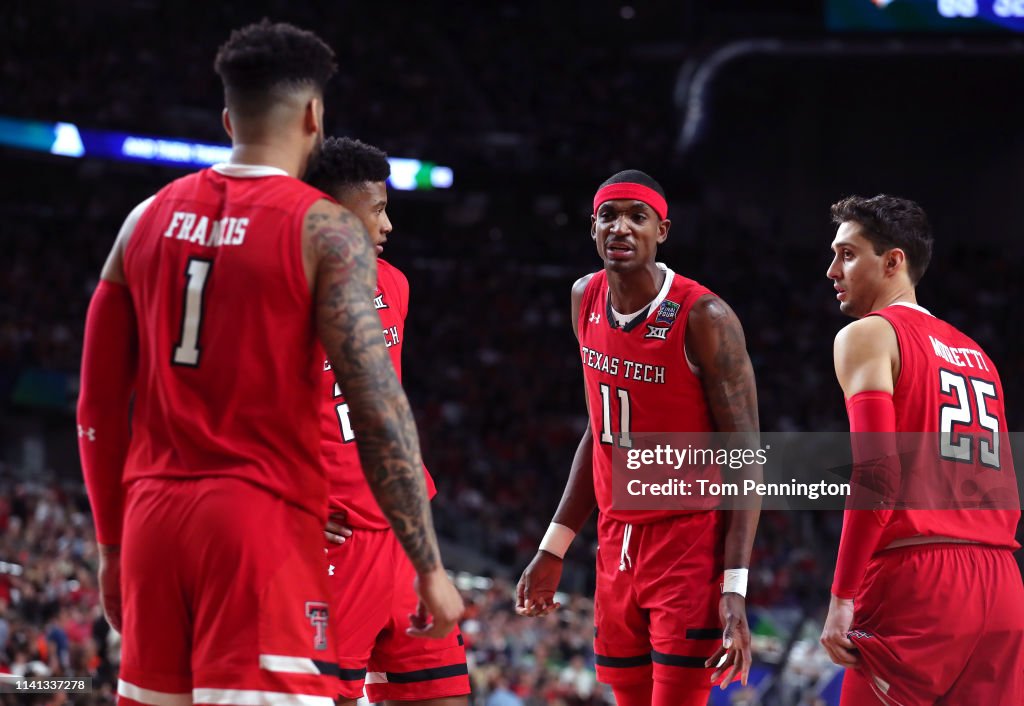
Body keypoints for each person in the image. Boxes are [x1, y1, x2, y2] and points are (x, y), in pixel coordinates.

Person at [76, 21, 461, 706]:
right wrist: (427, 562)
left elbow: (98, 407)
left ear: (228, 117)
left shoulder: (143, 218)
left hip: (152, 526)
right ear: (315, 116)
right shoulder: (325, 230)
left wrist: (110, 549)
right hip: (258, 526)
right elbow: (377, 407)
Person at [516, 170, 761, 706]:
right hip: (615, 542)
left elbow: (747, 457)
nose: (621, 227)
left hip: (688, 541)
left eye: (637, 217)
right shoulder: (585, 296)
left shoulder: (705, 316)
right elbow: (598, 432)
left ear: (662, 231)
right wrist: (554, 547)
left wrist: (734, 587)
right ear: (593, 228)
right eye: (609, 216)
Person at [820, 194, 1024, 704]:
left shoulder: (868, 334)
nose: (831, 270)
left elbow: (877, 474)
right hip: (1001, 582)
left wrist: (842, 596)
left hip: (920, 583)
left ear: (893, 262)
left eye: (847, 254)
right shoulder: (979, 356)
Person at [305, 137, 470, 705]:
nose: (389, 224)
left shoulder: (394, 285)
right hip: (334, 540)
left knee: (443, 695)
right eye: (377, 209)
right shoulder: (281, 291)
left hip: (403, 534)